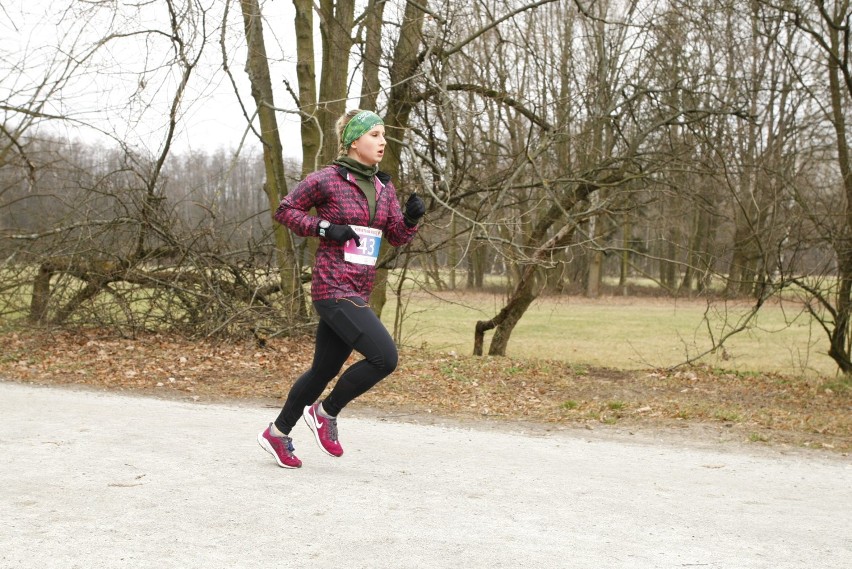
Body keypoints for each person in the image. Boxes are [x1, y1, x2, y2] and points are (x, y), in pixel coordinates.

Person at [257, 109, 426, 468]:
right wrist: (324, 228)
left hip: (359, 288)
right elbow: (285, 210)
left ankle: (278, 432)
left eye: (383, 136)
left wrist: (410, 218)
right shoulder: (327, 180)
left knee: (323, 370)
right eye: (375, 135)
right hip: (333, 286)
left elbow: (394, 235)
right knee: (385, 358)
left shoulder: (383, 186)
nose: (383, 142)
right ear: (353, 141)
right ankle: (326, 412)